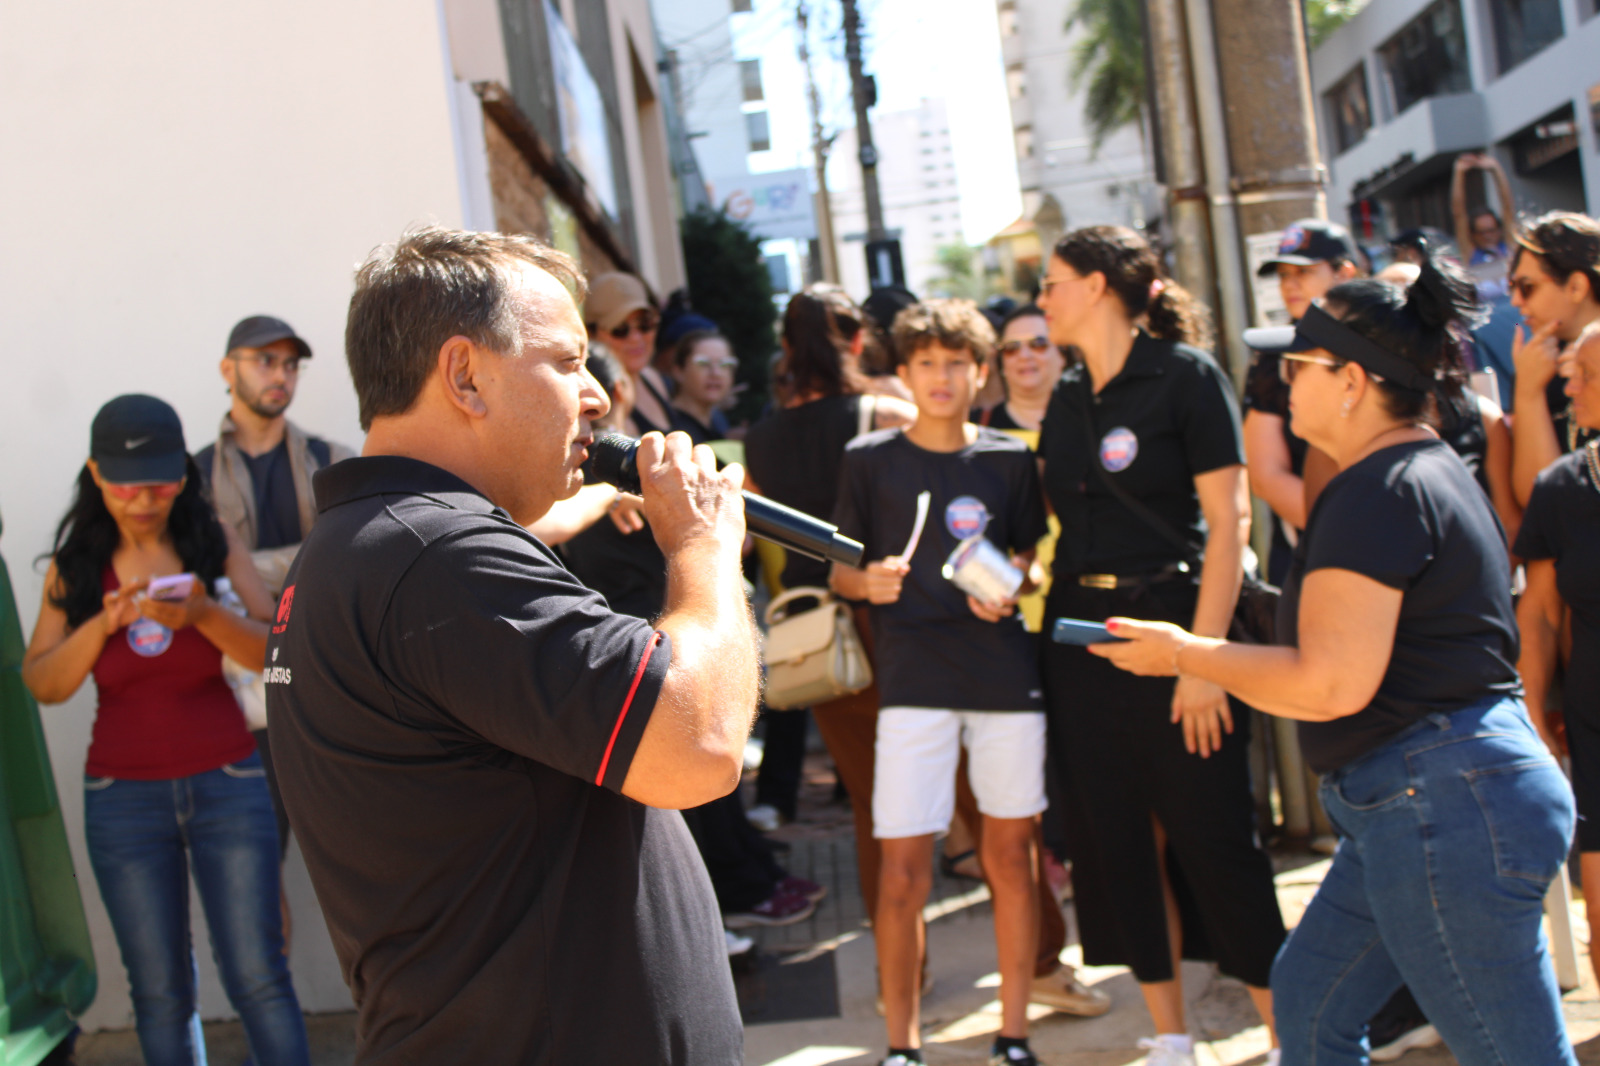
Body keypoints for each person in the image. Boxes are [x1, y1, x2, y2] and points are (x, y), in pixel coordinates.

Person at [263, 227, 757, 1064]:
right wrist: (703, 551)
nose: (598, 397)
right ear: (465, 375)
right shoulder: (438, 554)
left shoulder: (375, 543)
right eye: (568, 363)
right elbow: (697, 744)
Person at [1091, 256, 1578, 1065]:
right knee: (1311, 1007)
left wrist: (1188, 654)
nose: (1281, 382)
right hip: (1431, 799)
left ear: (1351, 381)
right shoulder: (1415, 470)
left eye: (1297, 364)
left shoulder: (1381, 486)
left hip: (1442, 803)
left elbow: (1329, 684)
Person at [1036, 225, 1283, 1066]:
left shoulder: (1186, 377)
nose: (1042, 297)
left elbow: (1231, 525)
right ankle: (1171, 1036)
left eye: (1053, 281)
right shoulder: (1068, 395)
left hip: (1176, 632)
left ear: (1100, 285)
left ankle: (1290, 1037)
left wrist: (1205, 660)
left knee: (1217, 841)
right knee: (1117, 839)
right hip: (1082, 644)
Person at [21, 394, 309, 1066]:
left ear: (182, 476)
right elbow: (44, 683)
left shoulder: (213, 540)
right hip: (122, 796)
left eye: (160, 482)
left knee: (259, 977)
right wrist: (103, 623)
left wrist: (205, 614)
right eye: (126, 484)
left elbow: (274, 653)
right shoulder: (77, 566)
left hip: (230, 782)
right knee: (159, 992)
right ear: (96, 475)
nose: (143, 499)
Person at [830, 298, 1049, 1066]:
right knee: (902, 870)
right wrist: (868, 584)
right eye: (926, 362)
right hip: (912, 680)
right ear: (905, 371)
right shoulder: (870, 460)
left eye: (956, 362)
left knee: (1010, 861)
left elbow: (1028, 557)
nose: (942, 376)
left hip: (1001, 672)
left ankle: (1013, 1035)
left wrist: (1011, 582)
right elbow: (839, 571)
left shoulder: (1008, 458)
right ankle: (902, 1048)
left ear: (979, 370)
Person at [562, 346, 820, 937]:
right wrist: (608, 493)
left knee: (714, 778)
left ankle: (736, 885)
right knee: (683, 792)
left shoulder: (637, 465)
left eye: (602, 384)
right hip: (629, 659)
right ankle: (720, 907)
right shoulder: (581, 485)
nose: (596, 402)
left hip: (672, 641)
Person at [743, 285, 918, 838]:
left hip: (812, 630)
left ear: (787, 348)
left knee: (871, 804)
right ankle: (960, 861)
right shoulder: (887, 414)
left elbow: (747, 533)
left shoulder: (759, 438)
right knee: (946, 780)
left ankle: (894, 910)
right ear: (860, 339)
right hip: (890, 616)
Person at [194, 314, 354, 860]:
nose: (280, 374)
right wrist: (305, 559)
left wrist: (239, 566)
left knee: (361, 857)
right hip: (239, 707)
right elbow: (199, 583)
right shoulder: (192, 477)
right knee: (256, 871)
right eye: (265, 360)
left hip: (328, 686)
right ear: (227, 369)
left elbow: (353, 553)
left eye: (290, 364)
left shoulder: (328, 462)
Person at [1517, 323, 1600, 988]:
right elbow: (1541, 615)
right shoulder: (1562, 490)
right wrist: (1534, 719)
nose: (1569, 386)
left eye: (1587, 376)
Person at [1244, 219, 1362, 582]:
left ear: (1344, 273)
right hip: (1310, 551)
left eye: (1303, 271)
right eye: (1282, 275)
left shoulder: (1381, 344)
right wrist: (1350, 536)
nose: (1289, 284)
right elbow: (1265, 475)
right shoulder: (1270, 357)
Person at [1509, 211, 1600, 505]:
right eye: (1513, 288)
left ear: (1575, 286)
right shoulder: (1535, 367)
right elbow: (1537, 502)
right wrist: (1529, 393)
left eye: (1527, 287)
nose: (1516, 301)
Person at [584, 270, 678, 435]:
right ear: (591, 333)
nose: (636, 338)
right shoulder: (598, 402)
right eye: (620, 329)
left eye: (644, 324)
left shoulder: (654, 379)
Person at [1449, 153, 1518, 297]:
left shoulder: (1509, 247)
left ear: (1498, 229)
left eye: (1491, 230)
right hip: (1490, 318)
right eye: (1482, 232)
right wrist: (1459, 173)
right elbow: (1459, 214)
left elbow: (1507, 207)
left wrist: (1496, 169)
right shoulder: (1471, 253)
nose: (1488, 236)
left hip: (1517, 318)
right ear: (1473, 234)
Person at [668, 329, 736, 443]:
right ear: (678, 371)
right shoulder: (667, 428)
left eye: (725, 364)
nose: (716, 373)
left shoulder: (718, 423)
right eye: (703, 364)